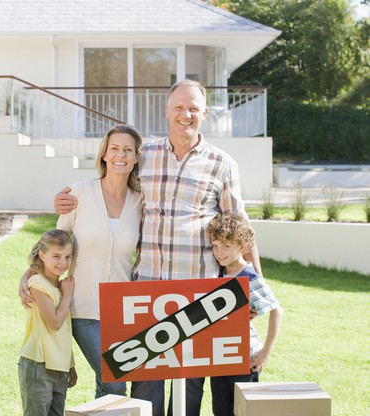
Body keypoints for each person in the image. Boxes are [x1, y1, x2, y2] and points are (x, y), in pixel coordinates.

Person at [54, 79, 261, 416]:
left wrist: (255, 288)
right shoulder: (145, 156)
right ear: (167, 111)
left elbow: (242, 233)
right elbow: (111, 188)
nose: (185, 115)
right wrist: (66, 200)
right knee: (144, 389)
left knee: (188, 392)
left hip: (197, 299)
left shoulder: (222, 164)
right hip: (145, 296)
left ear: (205, 113)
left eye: (193, 108)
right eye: (179, 107)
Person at [20, 125, 143, 400]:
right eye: (114, 148)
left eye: (127, 150)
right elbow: (55, 245)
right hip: (82, 307)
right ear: (103, 155)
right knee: (114, 379)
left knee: (107, 382)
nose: (120, 155)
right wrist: (28, 275)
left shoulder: (140, 202)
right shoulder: (80, 193)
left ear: (136, 158)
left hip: (122, 310)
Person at [207, 212, 283, 416]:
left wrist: (266, 351)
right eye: (215, 245)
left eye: (226, 246)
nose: (219, 252)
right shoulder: (219, 272)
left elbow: (277, 311)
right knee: (221, 411)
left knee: (244, 411)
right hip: (221, 357)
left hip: (244, 358)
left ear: (242, 246)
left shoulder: (248, 276)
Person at [18, 229, 77, 416]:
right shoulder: (37, 284)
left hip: (59, 366)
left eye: (68, 257)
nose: (63, 263)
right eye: (56, 256)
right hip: (38, 365)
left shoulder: (59, 287)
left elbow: (64, 332)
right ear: (42, 255)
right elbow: (55, 323)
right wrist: (68, 294)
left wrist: (70, 364)